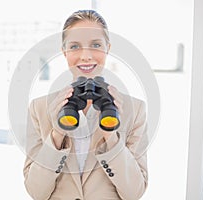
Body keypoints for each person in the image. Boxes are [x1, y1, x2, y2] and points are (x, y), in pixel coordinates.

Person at [23, 10, 148, 200]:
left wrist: (111, 137)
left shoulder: (135, 110)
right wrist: (57, 134)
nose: (86, 56)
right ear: (64, 52)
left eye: (96, 45)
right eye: (75, 46)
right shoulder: (39, 108)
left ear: (108, 48)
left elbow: (134, 193)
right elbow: (36, 192)